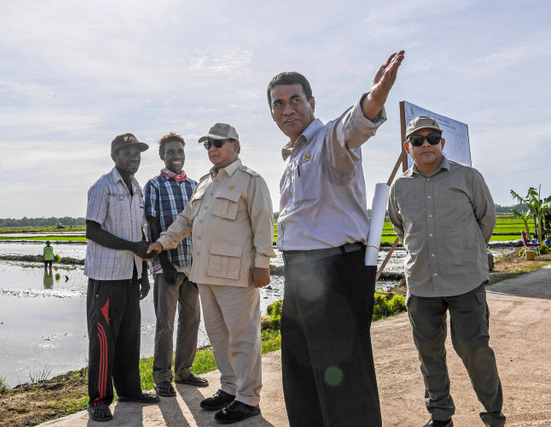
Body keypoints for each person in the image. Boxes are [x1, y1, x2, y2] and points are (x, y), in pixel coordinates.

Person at [266, 50, 405, 426]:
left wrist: (375, 97)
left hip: (335, 271)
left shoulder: (328, 140)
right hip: (301, 275)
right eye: (279, 104)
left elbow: (355, 125)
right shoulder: (293, 157)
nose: (288, 109)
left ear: (311, 103)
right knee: (302, 375)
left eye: (296, 100)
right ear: (273, 113)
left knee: (344, 380)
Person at [147, 123, 275, 424]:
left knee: (243, 337)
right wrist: (163, 242)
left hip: (236, 274)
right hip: (204, 274)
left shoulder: (250, 181)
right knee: (218, 336)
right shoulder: (204, 183)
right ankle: (230, 387)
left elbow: (263, 224)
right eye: (208, 145)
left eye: (218, 143)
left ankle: (248, 397)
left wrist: (263, 264)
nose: (212, 149)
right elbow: (184, 221)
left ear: (236, 146)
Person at [388, 115, 504, 427]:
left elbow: (486, 219)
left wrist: (466, 253)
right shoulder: (399, 187)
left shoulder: (468, 177)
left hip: (466, 282)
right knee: (430, 356)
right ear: (407, 147)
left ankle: (493, 416)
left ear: (442, 142)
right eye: (417, 140)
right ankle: (440, 417)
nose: (425, 144)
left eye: (432, 138)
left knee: (474, 350)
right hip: (422, 286)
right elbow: (401, 230)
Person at [83, 133, 159, 423]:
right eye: (127, 152)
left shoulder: (136, 189)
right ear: (115, 156)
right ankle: (99, 400)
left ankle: (129, 391)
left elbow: (138, 233)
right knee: (104, 339)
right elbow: (93, 230)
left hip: (130, 274)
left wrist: (143, 273)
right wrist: (132, 247)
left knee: (129, 337)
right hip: (107, 277)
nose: (134, 157)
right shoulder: (102, 187)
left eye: (137, 153)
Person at [143, 132, 208, 397]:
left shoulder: (194, 185)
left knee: (192, 319)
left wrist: (198, 265)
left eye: (179, 151)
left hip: (191, 264)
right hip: (167, 265)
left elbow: (199, 226)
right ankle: (162, 377)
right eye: (170, 152)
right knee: (165, 323)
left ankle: (184, 371)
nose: (176, 156)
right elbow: (153, 224)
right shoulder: (154, 185)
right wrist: (164, 263)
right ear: (162, 156)